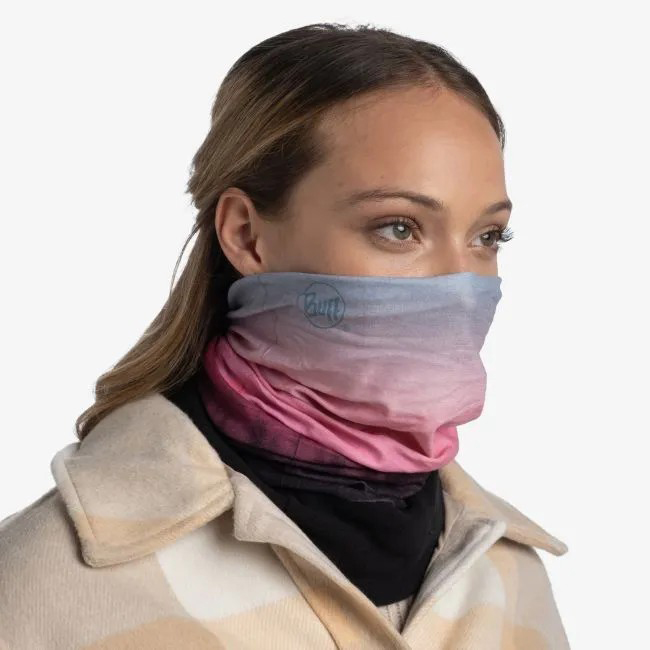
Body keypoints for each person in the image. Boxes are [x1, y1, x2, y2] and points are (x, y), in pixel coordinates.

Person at [0, 22, 570, 649]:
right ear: (247, 235)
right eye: (398, 228)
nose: (460, 286)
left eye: (487, 237)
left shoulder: (510, 576)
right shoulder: (46, 581)